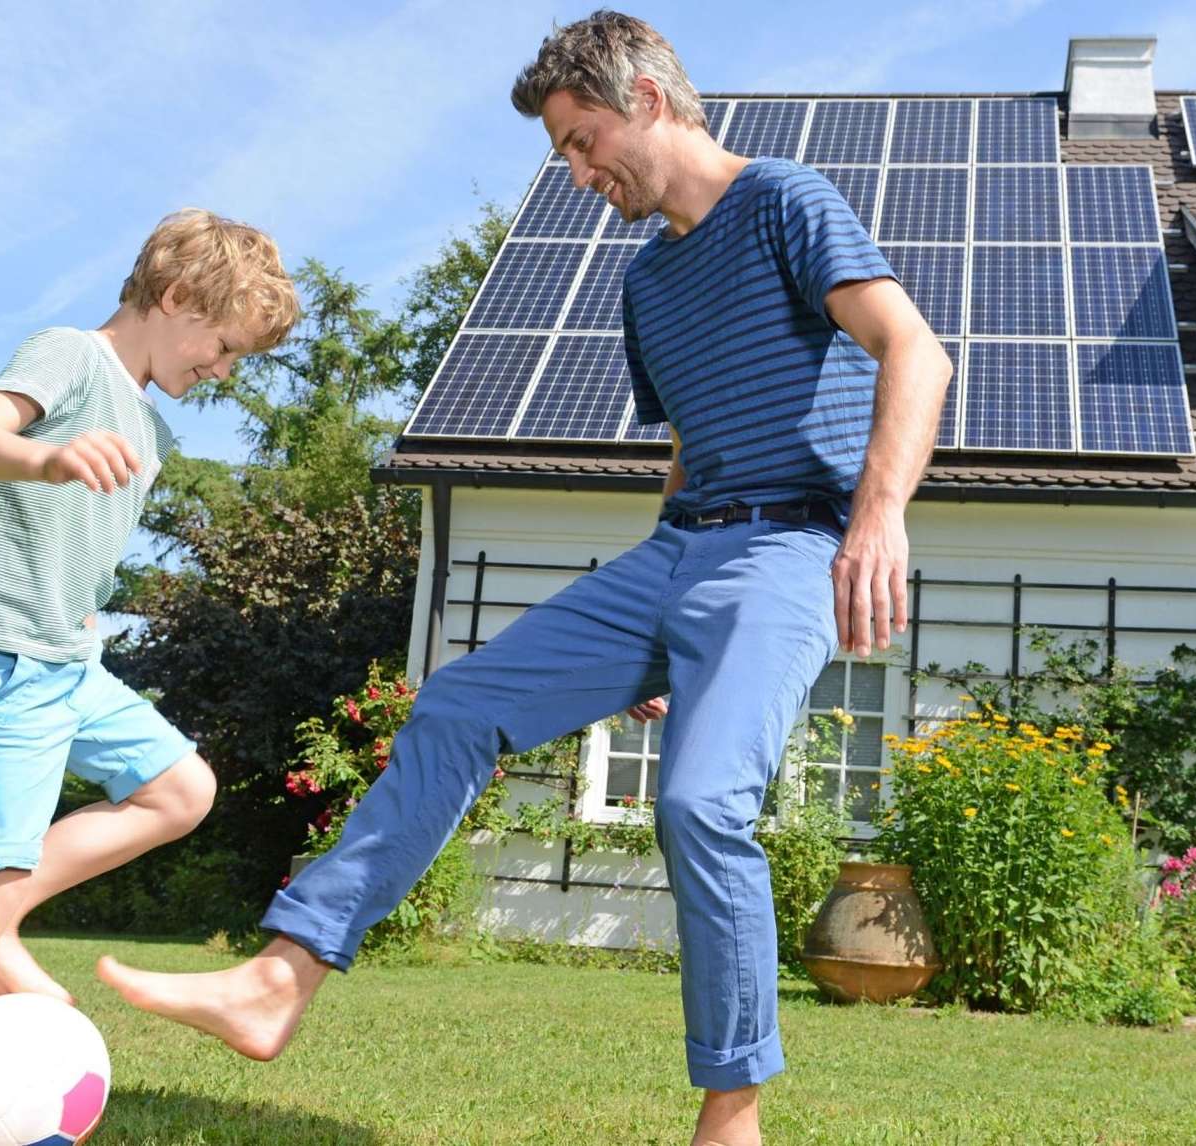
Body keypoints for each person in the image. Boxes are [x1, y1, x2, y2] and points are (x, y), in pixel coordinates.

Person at [97, 12, 951, 1145]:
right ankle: (278, 980)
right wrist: (654, 630)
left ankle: (731, 1113)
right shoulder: (648, 283)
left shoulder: (785, 199)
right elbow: (688, 450)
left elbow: (914, 349)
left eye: (582, 140)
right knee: (457, 702)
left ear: (646, 99)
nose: (577, 171)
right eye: (562, 152)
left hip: (789, 544)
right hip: (681, 552)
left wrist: (877, 519)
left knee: (700, 804)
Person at [0, 208, 298, 1146]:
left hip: (66, 657)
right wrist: (44, 455)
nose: (223, 371)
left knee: (181, 788)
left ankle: (3, 920)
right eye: (223, 347)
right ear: (178, 298)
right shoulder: (71, 355)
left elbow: (72, 551)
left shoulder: (151, 427)